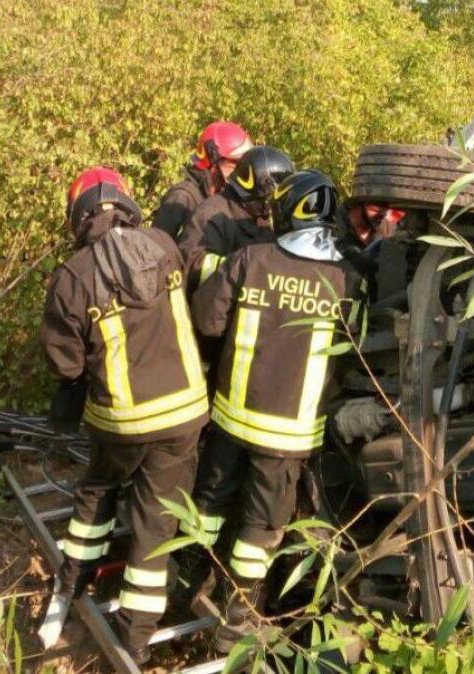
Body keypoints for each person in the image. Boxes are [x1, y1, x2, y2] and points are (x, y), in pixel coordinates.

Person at [38, 167, 208, 664]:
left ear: (79, 216)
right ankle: (136, 639)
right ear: (126, 203)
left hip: (123, 423)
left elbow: (63, 362)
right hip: (185, 414)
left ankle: (72, 582)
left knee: (96, 496)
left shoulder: (74, 277)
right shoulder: (163, 245)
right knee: (156, 524)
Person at [188, 170, 362, 651]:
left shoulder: (250, 259)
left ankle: (185, 582)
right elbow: (357, 350)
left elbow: (206, 319)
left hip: (228, 421)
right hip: (290, 438)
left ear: (288, 211)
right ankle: (237, 620)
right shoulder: (345, 278)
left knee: (207, 509)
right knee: (260, 531)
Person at [191, 146, 295, 287]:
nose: (273, 206)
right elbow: (194, 265)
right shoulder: (211, 214)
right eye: (271, 199)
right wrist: (246, 266)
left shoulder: (257, 216)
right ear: (258, 192)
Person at [151, 121, 254, 239]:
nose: (242, 170)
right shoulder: (182, 198)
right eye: (236, 163)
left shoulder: (221, 195)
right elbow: (155, 249)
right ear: (214, 163)